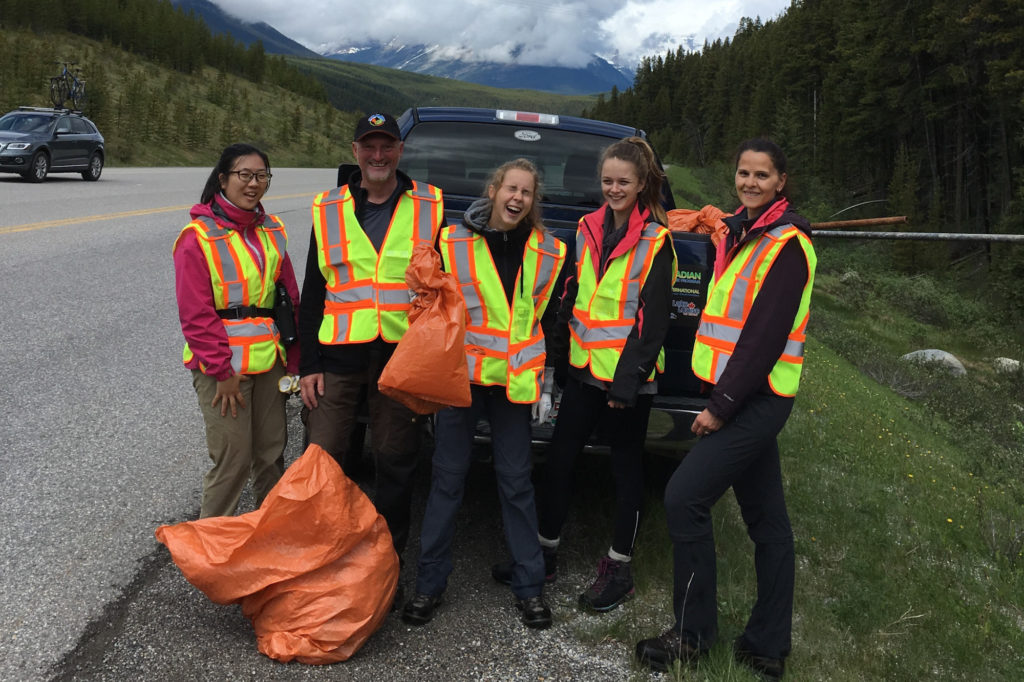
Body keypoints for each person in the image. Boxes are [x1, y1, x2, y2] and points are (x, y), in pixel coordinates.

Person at [635, 139, 817, 679]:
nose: (751, 182)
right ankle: (766, 647)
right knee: (767, 521)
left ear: (781, 181)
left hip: (755, 400)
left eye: (763, 175)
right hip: (741, 394)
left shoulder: (788, 246)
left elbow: (763, 338)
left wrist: (721, 406)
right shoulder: (738, 233)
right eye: (744, 172)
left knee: (684, 497)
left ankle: (693, 637)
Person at [402, 159, 566, 630]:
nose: (517, 198)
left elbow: (550, 319)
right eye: (510, 189)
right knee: (446, 481)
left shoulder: (551, 252)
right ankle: (428, 586)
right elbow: (430, 306)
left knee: (516, 484)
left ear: (534, 201)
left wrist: (548, 381)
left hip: (513, 386)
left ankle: (530, 588)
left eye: (527, 193)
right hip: (461, 381)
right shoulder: (451, 241)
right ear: (493, 190)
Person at [529, 137, 677, 612]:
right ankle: (544, 555)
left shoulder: (657, 239)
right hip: (583, 370)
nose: (614, 189)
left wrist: (627, 382)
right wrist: (555, 360)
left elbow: (652, 321)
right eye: (608, 180)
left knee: (625, 470)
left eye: (624, 182)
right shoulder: (586, 227)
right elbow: (570, 295)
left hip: (626, 381)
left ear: (641, 185)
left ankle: (619, 569)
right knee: (559, 460)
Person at [298, 112, 444, 565]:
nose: (377, 155)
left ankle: (385, 561)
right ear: (355, 151)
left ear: (401, 151)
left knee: (396, 461)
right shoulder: (328, 208)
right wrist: (308, 365)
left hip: (402, 357)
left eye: (386, 146)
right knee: (321, 460)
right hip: (337, 356)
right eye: (369, 146)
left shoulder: (431, 206)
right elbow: (313, 291)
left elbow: (448, 280)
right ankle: (318, 557)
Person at [173, 143, 300, 518]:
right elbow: (195, 314)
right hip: (224, 372)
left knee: (271, 455)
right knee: (233, 462)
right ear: (223, 178)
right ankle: (211, 558)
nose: (254, 184)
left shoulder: (272, 231)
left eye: (262, 176)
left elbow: (289, 300)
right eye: (244, 175)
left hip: (269, 363)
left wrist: (294, 360)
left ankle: (270, 541)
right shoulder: (197, 237)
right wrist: (221, 372)